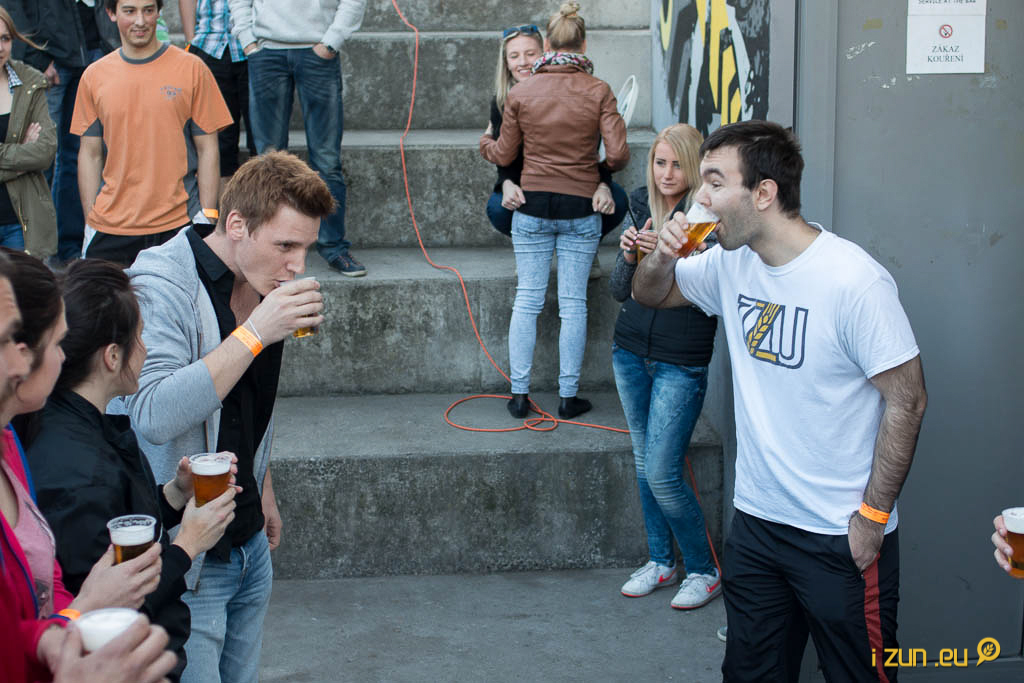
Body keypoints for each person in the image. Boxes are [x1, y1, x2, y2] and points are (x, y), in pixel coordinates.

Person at [633, 120, 927, 682]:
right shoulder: (730, 262)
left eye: (715, 182)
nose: (700, 197)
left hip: (838, 534)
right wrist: (664, 255)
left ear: (763, 193)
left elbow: (907, 402)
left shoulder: (853, 281)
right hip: (757, 526)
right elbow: (651, 293)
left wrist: (871, 519)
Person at [120, 150, 333, 683]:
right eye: (285, 246)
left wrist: (263, 485)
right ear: (236, 224)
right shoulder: (161, 282)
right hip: (189, 557)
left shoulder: (262, 283)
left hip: (249, 543)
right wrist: (256, 331)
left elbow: (248, 403)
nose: (298, 265)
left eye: (306, 248)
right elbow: (152, 414)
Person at [27, 259, 239, 681]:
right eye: (140, 337)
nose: (145, 349)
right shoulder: (80, 471)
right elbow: (112, 604)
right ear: (112, 357)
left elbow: (117, 521)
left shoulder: (76, 424)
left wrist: (174, 495)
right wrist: (189, 544)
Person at [480, 2, 628, 420]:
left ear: (546, 45)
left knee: (527, 300)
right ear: (584, 43)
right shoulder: (599, 90)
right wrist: (599, 171)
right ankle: (568, 397)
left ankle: (519, 396)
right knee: (573, 304)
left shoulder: (520, 93)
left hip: (531, 207)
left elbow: (503, 154)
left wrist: (484, 143)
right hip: (581, 209)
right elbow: (617, 155)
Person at [610, 124, 720, 609]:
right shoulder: (640, 203)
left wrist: (673, 255)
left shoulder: (709, 216)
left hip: (682, 359)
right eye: (659, 162)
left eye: (678, 164)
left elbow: (705, 295)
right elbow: (620, 291)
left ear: (694, 167)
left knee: (662, 471)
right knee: (643, 463)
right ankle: (661, 560)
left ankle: (704, 569)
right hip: (629, 350)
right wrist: (628, 255)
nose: (667, 174)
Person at [71, 0, 232, 267]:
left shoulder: (193, 69)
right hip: (110, 227)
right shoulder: (94, 76)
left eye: (148, 10)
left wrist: (208, 215)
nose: (140, 21)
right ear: (111, 13)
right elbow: (90, 154)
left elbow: (208, 148)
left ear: (159, 13)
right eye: (129, 11)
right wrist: (90, 219)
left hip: (179, 224)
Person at [227, 0, 367, 277]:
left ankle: (333, 246)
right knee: (268, 161)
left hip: (318, 50)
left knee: (326, 160)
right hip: (266, 52)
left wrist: (331, 42)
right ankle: (267, 245)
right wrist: (248, 41)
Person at [484, 23, 627, 248]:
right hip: (528, 184)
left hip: (579, 181)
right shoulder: (503, 101)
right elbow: (506, 157)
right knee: (498, 209)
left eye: (530, 54)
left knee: (617, 200)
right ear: (506, 63)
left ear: (547, 50)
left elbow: (596, 150)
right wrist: (507, 183)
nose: (523, 62)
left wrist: (603, 184)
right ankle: (535, 247)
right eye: (514, 56)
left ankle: (584, 248)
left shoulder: (584, 91)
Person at [6, 0, 120, 264]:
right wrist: (36, 57)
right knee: (40, 158)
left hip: (93, 50)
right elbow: (12, 7)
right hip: (49, 58)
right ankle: (34, 255)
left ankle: (69, 247)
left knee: (78, 156)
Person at [178, 0, 257, 192]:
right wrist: (191, 41)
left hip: (254, 46)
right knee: (220, 143)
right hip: (210, 46)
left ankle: (262, 206)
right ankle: (224, 209)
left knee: (261, 140)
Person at [0, 8, 58, 259]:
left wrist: (11, 158)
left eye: (5, 38)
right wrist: (21, 159)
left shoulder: (30, 82)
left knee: (21, 284)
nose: (0, 47)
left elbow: (45, 151)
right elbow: (33, 155)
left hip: (21, 221)